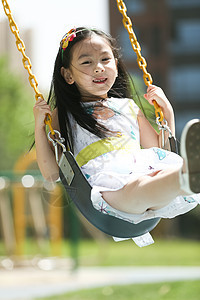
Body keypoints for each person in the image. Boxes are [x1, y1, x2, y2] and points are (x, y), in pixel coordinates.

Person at [34, 27, 200, 245]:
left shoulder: (128, 107)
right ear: (68, 75)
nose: (98, 68)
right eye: (87, 62)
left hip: (146, 176)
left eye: (105, 59)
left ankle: (186, 177)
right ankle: (184, 177)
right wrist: (40, 126)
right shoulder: (64, 116)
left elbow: (162, 152)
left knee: (160, 173)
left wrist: (167, 113)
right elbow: (51, 173)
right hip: (108, 191)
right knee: (137, 186)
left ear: (115, 62)